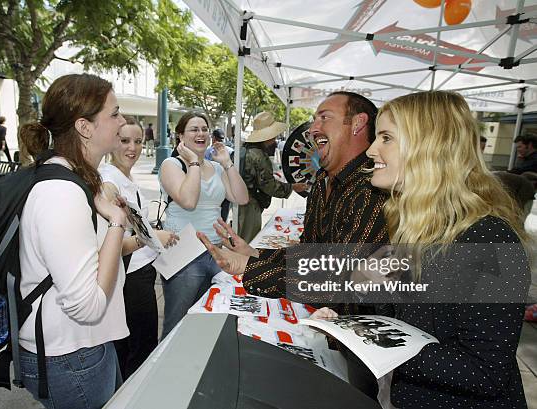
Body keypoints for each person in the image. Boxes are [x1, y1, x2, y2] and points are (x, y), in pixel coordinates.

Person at [198, 92, 390, 399]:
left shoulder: (371, 191)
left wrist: (252, 267)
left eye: (324, 117)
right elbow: (310, 255)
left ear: (357, 124)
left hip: (354, 344)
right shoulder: (324, 183)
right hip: (323, 333)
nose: (313, 128)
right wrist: (256, 253)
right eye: (315, 119)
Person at [351, 90, 529, 408]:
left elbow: (485, 372)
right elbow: (406, 321)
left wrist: (369, 342)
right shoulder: (419, 226)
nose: (371, 150)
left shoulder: (487, 239)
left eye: (386, 138)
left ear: (430, 148)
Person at [18, 74, 134, 409]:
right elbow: (88, 306)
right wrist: (116, 222)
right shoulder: (61, 192)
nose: (122, 121)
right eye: (114, 114)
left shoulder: (73, 177)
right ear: (84, 127)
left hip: (82, 346)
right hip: (70, 355)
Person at [158, 112, 249, 338]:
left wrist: (227, 164)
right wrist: (194, 162)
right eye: (193, 129)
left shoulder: (216, 168)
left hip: (217, 250)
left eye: (204, 129)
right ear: (181, 136)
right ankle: (167, 367)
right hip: (184, 252)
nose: (201, 133)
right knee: (177, 323)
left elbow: (241, 198)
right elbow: (188, 201)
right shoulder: (172, 164)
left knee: (210, 318)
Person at [99, 118, 177, 380]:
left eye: (138, 141)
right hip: (130, 277)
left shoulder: (124, 176)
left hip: (141, 273)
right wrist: (152, 237)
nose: (132, 147)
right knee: (139, 346)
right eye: (124, 141)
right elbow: (112, 245)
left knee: (134, 343)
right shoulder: (110, 179)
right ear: (112, 143)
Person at [238, 112, 308, 242]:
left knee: (241, 237)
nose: (275, 137)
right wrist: (292, 187)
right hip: (250, 204)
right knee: (248, 241)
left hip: (240, 202)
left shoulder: (245, 149)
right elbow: (268, 185)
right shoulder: (258, 155)